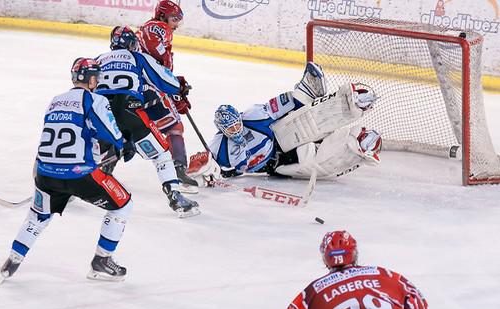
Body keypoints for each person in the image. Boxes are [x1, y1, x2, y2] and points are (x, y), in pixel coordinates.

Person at [0, 58, 136, 282]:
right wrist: (125, 142)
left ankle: (14, 259)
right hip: (80, 175)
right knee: (123, 205)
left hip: (45, 173)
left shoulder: (55, 101)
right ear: (92, 79)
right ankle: (101, 261)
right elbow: (111, 135)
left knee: (38, 216)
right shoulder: (94, 99)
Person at [187, 62, 382, 186]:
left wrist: (304, 99)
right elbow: (204, 171)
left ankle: (343, 101)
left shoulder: (253, 116)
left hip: (281, 139)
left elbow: (282, 103)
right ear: (221, 130)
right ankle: (355, 144)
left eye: (237, 124)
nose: (236, 130)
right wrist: (205, 174)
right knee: (312, 162)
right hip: (276, 165)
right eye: (230, 129)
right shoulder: (218, 146)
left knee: (305, 120)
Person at [95, 25, 199, 218]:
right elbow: (165, 81)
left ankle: (74, 184)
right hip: (130, 114)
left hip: (101, 116)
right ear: (133, 44)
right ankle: (175, 197)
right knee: (161, 154)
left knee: (89, 153)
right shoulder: (138, 58)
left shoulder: (97, 60)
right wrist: (180, 87)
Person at [278, 230, 428, 309]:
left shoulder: (313, 291)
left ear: (325, 258)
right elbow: (418, 304)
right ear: (354, 253)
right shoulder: (383, 274)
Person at [136, 0, 199, 193]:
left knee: (124, 135)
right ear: (162, 16)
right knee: (174, 127)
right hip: (151, 89)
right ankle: (178, 170)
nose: (175, 24)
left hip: (134, 90)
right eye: (174, 19)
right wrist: (174, 88)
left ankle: (98, 168)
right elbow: (159, 60)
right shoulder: (159, 27)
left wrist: (173, 82)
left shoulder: (146, 28)